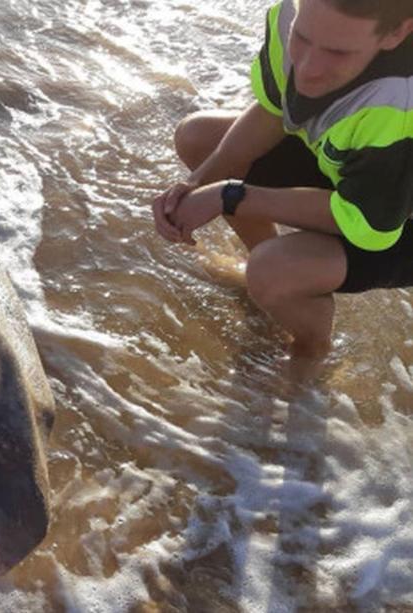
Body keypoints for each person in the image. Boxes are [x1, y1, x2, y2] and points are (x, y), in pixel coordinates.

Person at [152, 0, 413, 361]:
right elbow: (275, 111)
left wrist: (229, 195)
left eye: (338, 52)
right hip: (357, 166)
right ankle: (269, 277)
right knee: (198, 138)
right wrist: (200, 181)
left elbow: (369, 225)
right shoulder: (290, 13)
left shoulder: (403, 103)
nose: (308, 69)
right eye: (302, 38)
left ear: (398, 32)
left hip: (394, 220)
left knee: (273, 269)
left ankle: (312, 346)